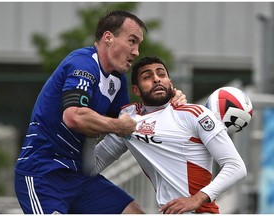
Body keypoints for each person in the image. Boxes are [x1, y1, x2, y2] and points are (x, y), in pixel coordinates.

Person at [14, 10, 186, 214]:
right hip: (43, 175)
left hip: (80, 178)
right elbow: (74, 116)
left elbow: (133, 120)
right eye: (132, 41)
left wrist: (169, 102)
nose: (136, 51)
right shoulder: (83, 63)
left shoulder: (117, 79)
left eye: (138, 44)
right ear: (108, 37)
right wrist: (118, 126)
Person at [84, 56, 247, 214]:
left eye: (161, 74)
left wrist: (196, 199)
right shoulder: (127, 119)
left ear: (170, 83)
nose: (156, 79)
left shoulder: (195, 114)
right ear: (136, 90)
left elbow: (236, 167)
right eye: (147, 76)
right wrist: (91, 133)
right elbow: (92, 168)